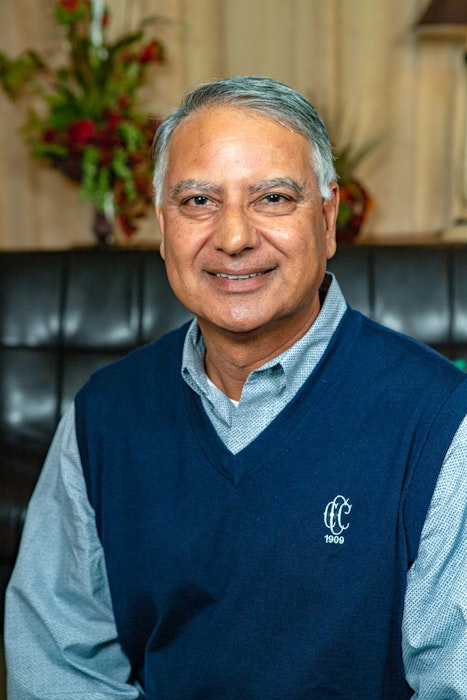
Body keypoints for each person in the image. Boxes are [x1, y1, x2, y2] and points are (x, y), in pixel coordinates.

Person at [4, 76, 467, 699]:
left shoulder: (440, 422)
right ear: (163, 226)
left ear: (327, 218)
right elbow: (59, 667)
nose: (233, 237)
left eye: (272, 198)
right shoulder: (102, 416)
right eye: (198, 201)